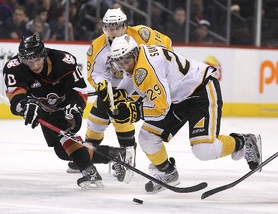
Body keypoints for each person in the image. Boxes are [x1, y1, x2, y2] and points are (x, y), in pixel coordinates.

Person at [108, 34, 262, 193]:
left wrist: (136, 112)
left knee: (204, 150)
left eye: (127, 61)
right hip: (177, 98)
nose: (125, 66)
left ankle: (243, 141)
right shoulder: (138, 55)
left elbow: (161, 109)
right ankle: (167, 172)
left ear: (134, 54)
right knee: (147, 137)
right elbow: (133, 79)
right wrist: (119, 93)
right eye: (120, 62)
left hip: (200, 91)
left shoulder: (145, 70)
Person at [3, 34, 130, 189]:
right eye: (30, 61)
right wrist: (25, 104)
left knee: (66, 138)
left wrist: (75, 106)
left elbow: (79, 89)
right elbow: (16, 96)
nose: (35, 65)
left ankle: (90, 173)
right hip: (44, 107)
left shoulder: (62, 61)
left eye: (37, 59)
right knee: (62, 152)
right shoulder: (14, 67)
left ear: (44, 54)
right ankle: (115, 154)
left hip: (67, 104)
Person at [76, 8, 173, 183]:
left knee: (121, 115)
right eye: (109, 27)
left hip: (138, 82)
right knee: (95, 121)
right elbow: (95, 73)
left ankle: (128, 158)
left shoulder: (142, 34)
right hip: (113, 87)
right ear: (104, 28)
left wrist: (155, 70)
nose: (113, 31)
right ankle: (88, 155)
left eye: (117, 27)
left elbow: (165, 44)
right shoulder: (96, 46)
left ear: (125, 25)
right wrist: (102, 85)